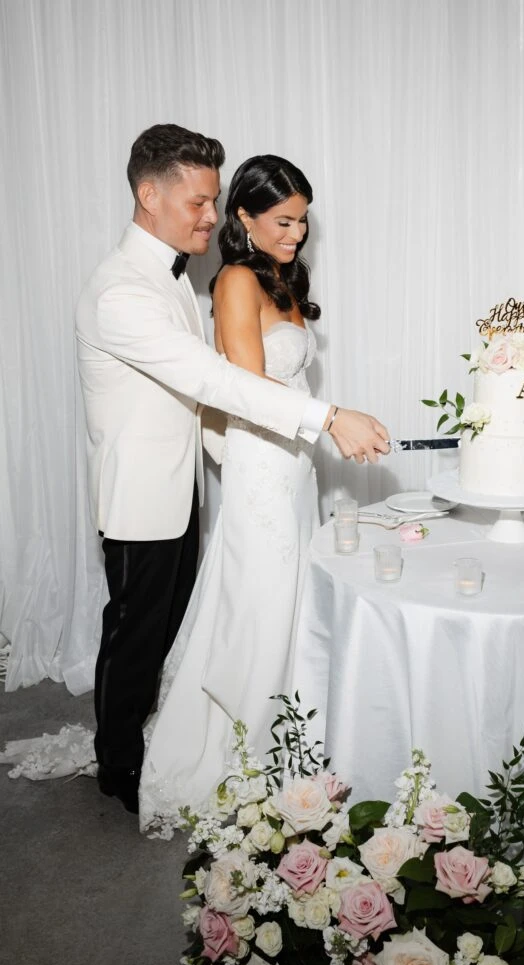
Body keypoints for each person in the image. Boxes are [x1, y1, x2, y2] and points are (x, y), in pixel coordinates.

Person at [76, 125, 389, 815]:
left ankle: (175, 736)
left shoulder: (176, 280)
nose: (210, 217)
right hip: (139, 493)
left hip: (193, 482)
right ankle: (120, 764)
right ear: (147, 193)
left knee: (174, 627)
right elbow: (215, 380)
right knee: (135, 632)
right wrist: (328, 417)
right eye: (197, 202)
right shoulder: (121, 292)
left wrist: (247, 461)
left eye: (215, 201)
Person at [138, 154, 332, 832]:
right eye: (283, 220)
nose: (297, 233)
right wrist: (335, 419)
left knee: (293, 602)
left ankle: (292, 736)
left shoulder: (281, 279)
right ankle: (246, 752)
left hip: (295, 465)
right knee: (261, 600)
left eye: (304, 221)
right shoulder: (236, 282)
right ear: (244, 218)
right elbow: (250, 389)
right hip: (261, 465)